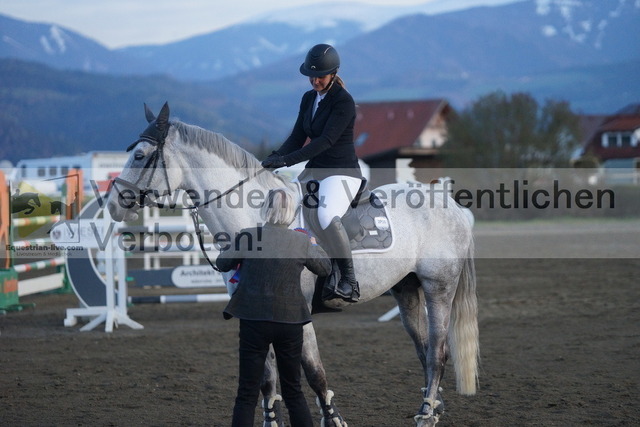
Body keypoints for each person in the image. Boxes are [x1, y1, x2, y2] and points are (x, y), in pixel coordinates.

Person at [216, 188, 331, 427]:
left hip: (253, 320)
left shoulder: (248, 236)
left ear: (265, 209)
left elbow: (223, 263)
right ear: (290, 212)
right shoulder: (300, 241)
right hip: (290, 321)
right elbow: (325, 268)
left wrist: (232, 247)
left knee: (246, 392)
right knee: (294, 392)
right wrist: (312, 243)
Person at [261, 43, 362, 303]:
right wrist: (274, 157)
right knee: (285, 204)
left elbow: (324, 142)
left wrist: (286, 160)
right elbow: (298, 136)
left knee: (326, 214)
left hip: (341, 172)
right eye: (312, 76)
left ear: (333, 73)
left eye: (320, 76)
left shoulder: (344, 102)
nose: (315, 80)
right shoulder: (308, 98)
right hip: (315, 171)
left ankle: (349, 280)